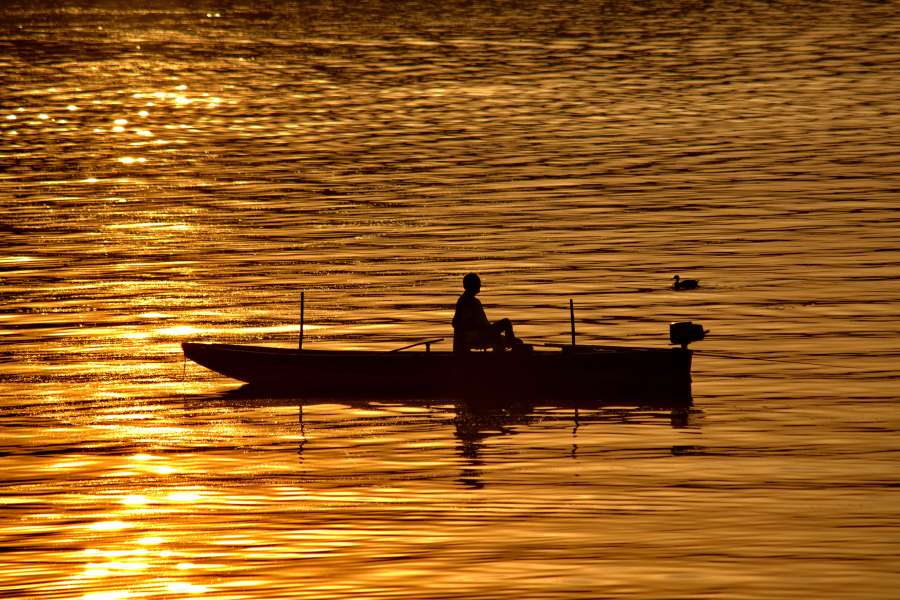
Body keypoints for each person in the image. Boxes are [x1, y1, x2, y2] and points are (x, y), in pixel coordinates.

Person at [452, 273, 525, 353]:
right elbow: (458, 323)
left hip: (481, 333)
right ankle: (511, 343)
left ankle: (504, 352)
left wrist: (491, 330)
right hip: (474, 336)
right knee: (506, 322)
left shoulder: (470, 301)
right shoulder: (466, 301)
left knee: (509, 340)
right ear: (471, 285)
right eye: (478, 283)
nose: (480, 285)